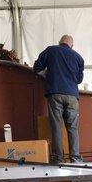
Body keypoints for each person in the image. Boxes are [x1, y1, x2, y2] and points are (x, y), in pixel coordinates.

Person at [33, 35, 85, 163]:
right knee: (72, 128)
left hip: (55, 93)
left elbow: (36, 67)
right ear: (72, 46)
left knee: (56, 126)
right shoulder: (79, 58)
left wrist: (47, 73)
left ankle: (58, 158)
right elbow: (79, 80)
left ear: (59, 42)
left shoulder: (51, 50)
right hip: (72, 95)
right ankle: (75, 157)